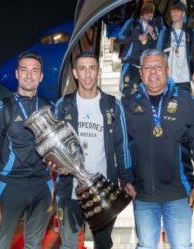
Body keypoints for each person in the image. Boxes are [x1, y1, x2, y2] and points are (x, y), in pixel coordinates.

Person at [122, 49, 194, 248]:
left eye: (158, 67)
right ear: (141, 73)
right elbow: (121, 148)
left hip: (179, 195)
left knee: (181, 246)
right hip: (143, 195)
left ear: (167, 70)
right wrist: (126, 179)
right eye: (147, 67)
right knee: (146, 246)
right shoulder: (128, 104)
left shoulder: (185, 101)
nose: (153, 72)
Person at [52, 52, 136, 249]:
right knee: (68, 245)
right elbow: (55, 147)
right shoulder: (63, 106)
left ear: (98, 71)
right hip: (69, 191)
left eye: (92, 68)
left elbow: (122, 146)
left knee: (103, 245)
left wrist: (127, 179)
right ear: (75, 73)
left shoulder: (112, 105)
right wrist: (55, 167)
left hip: (102, 192)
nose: (87, 74)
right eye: (82, 69)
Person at [0, 51, 52, 249]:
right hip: (10, 187)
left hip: (43, 186)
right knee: (0, 245)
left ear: (41, 76)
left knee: (34, 245)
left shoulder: (49, 108)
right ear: (16, 74)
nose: (29, 75)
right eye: (24, 70)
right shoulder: (1, 108)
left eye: (34, 70)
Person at [156, 2, 194, 93]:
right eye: (172, 11)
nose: (173, 13)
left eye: (177, 11)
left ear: (183, 13)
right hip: (167, 79)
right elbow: (158, 53)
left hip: (185, 79)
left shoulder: (191, 33)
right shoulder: (164, 32)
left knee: (183, 105)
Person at [118, 2, 159, 98]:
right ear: (142, 12)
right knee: (126, 92)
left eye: (151, 12)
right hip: (130, 62)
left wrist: (153, 34)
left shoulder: (153, 26)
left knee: (142, 95)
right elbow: (119, 39)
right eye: (146, 11)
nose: (148, 14)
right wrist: (137, 37)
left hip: (145, 65)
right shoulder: (132, 22)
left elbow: (158, 46)